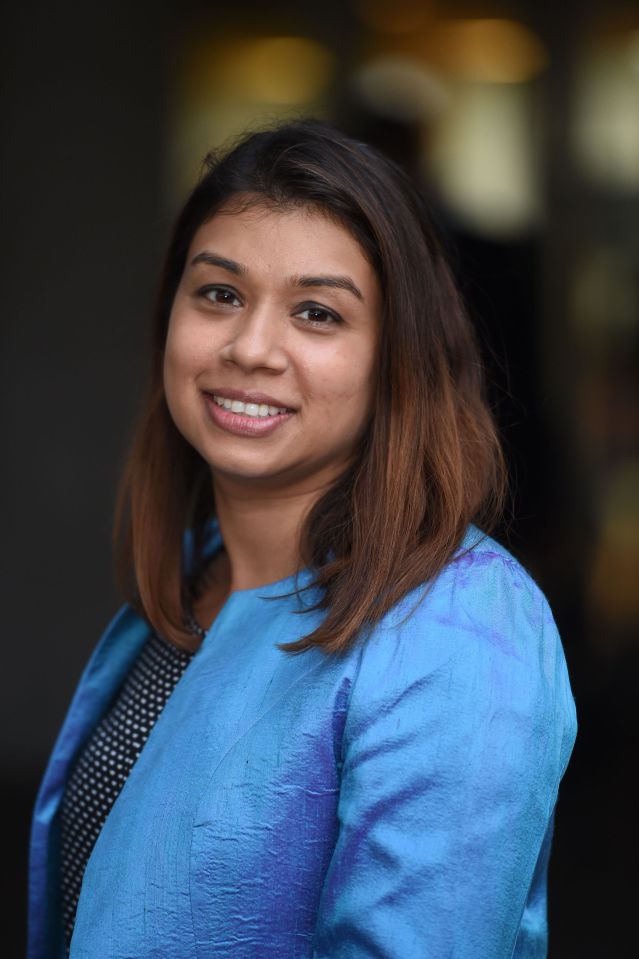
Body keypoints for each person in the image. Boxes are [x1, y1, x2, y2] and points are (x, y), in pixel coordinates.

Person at [28, 120, 577, 959]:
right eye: (219, 293)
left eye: (317, 313)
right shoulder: (196, 574)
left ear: (398, 356)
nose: (250, 348)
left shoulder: (464, 623)